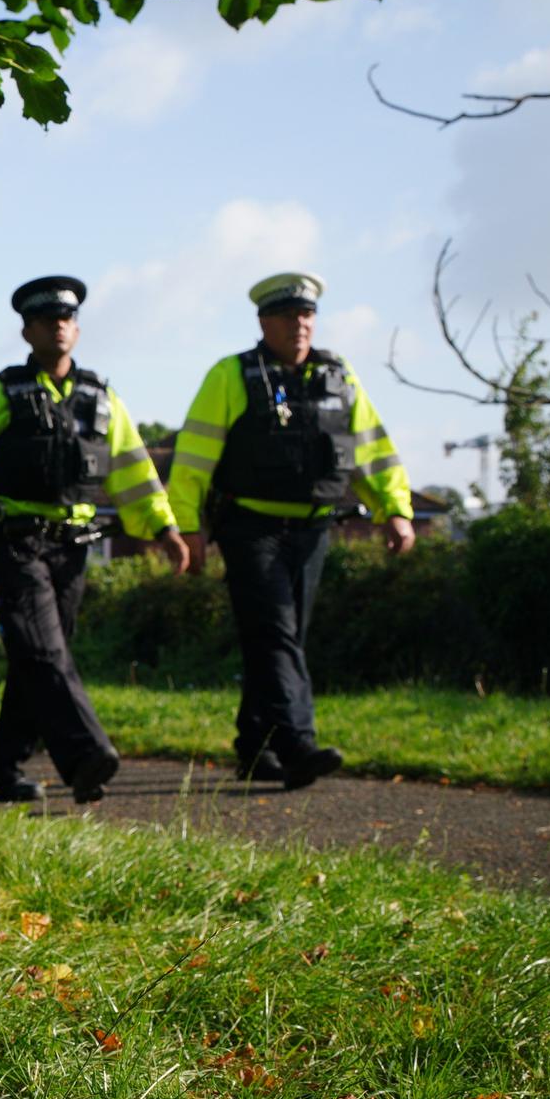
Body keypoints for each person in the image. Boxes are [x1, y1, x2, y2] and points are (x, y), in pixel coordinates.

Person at [0, 275, 190, 805]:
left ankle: (2, 775)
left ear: (76, 328)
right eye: (47, 319)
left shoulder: (103, 398)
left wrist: (165, 529)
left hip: (74, 548)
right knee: (43, 651)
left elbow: (135, 473)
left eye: (68, 318)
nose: (59, 325)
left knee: (38, 659)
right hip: (17, 544)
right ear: (26, 332)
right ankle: (85, 756)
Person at [167, 272, 416, 789]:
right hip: (249, 527)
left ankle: (254, 748)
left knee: (279, 638)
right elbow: (192, 460)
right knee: (277, 631)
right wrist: (186, 525)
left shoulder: (338, 376)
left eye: (306, 315)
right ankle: (298, 743)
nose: (299, 325)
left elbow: (369, 449)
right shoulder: (231, 376)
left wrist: (396, 509)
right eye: (286, 316)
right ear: (263, 322)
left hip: (313, 531)